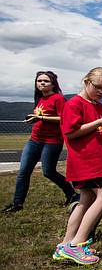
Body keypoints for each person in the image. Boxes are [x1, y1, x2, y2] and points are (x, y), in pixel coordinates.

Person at [54, 67, 102, 264]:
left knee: (87, 198)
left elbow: (93, 130)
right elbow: (71, 133)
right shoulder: (74, 104)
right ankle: (78, 244)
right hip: (88, 161)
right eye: (98, 87)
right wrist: (100, 124)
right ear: (86, 81)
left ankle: (66, 243)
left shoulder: (97, 105)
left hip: (98, 158)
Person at [3, 71, 77, 213]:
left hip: (52, 141)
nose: (42, 83)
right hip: (34, 139)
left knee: (48, 172)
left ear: (53, 84)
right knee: (23, 171)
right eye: (39, 81)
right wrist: (33, 119)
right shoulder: (39, 99)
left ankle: (72, 193)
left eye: (46, 81)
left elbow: (64, 118)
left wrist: (41, 119)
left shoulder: (58, 99)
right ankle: (17, 203)